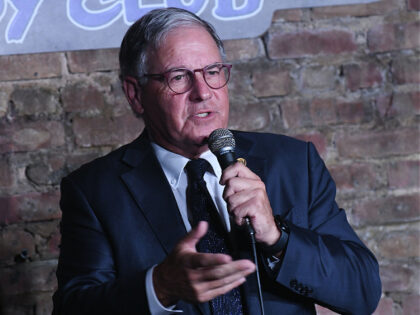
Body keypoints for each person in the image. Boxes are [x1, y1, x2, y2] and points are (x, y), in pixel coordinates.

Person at [52, 7, 381, 315]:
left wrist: (278, 238)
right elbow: (74, 307)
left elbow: (362, 290)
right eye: (179, 76)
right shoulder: (95, 191)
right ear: (135, 94)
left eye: (212, 71)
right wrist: (159, 286)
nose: (203, 91)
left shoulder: (294, 163)